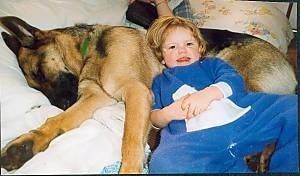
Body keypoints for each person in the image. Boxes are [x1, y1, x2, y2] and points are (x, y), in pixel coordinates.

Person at [145, 16, 298, 173]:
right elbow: (153, 118)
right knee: (161, 163)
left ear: (200, 48)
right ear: (161, 58)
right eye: (172, 47)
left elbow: (234, 80)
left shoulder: (213, 64)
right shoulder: (160, 83)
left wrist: (210, 93)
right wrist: (167, 113)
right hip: (197, 142)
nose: (182, 50)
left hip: (243, 121)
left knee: (293, 108)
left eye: (189, 44)